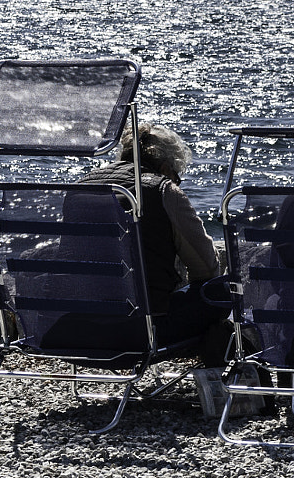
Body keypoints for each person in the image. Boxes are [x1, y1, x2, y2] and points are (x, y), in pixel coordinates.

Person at [66, 121, 232, 363]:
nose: (177, 181)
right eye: (177, 176)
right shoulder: (162, 190)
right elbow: (206, 269)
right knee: (221, 290)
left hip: (76, 331)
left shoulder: (80, 186)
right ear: (165, 167)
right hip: (138, 334)